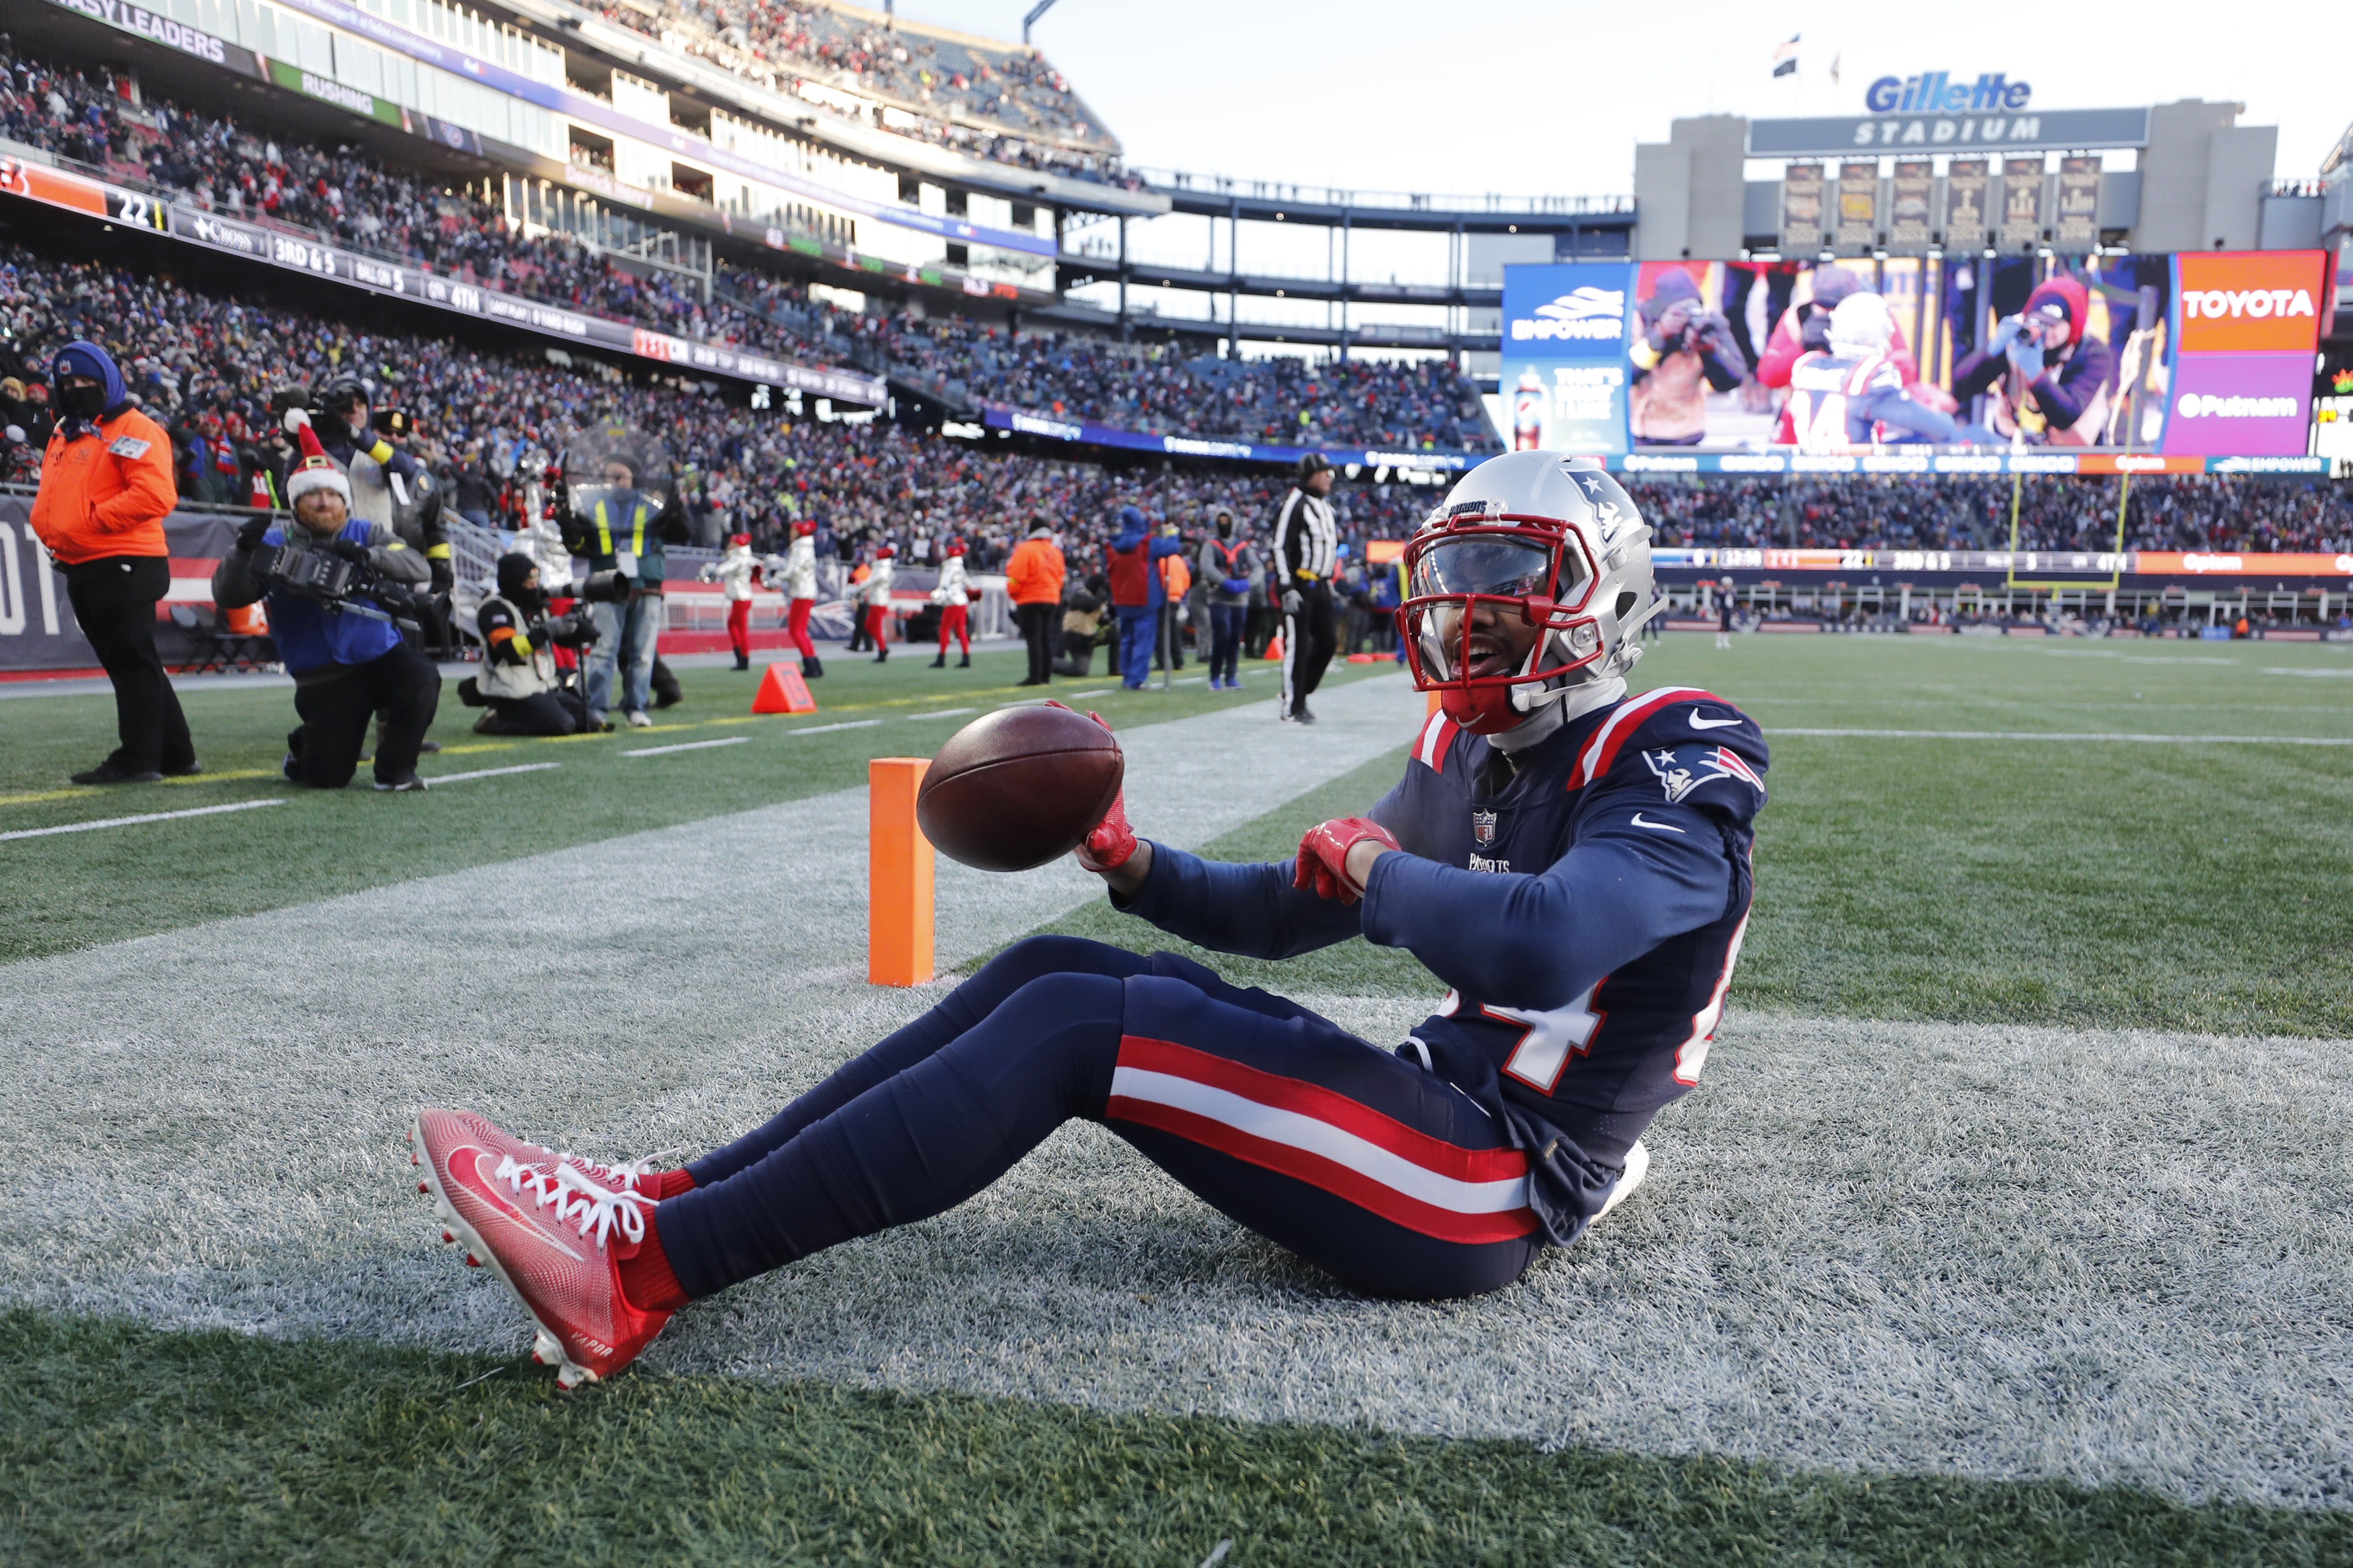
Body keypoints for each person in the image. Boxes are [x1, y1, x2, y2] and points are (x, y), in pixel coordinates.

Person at [407, 452, 1768, 1391]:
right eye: (1452, 570)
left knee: (1073, 1025)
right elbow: (1289, 909)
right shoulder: (1468, 744)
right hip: (1439, 1113)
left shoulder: (1677, 744)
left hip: (1488, 1182)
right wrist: (1133, 862)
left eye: (1503, 573)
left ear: (1602, 592)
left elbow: (1543, 939)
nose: (1465, 608)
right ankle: (668, 1192)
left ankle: (643, 1274)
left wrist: (1376, 871)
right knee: (1064, 959)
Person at [211, 411, 439, 790]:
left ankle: (396, 771)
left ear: (345, 500)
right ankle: (305, 747)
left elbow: (418, 567)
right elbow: (229, 595)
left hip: (380, 656)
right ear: (296, 501)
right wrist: (241, 552)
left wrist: (372, 556)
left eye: (332, 494)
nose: (324, 502)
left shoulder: (367, 531)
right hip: (324, 674)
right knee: (329, 777)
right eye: (313, 494)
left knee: (422, 675)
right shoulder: (274, 541)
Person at [28, 340, 199, 785]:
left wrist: (93, 521)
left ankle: (139, 758)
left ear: (108, 380)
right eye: (68, 383)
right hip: (86, 561)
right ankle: (176, 752)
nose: (77, 389)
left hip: (123, 560)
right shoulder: (68, 430)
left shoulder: (134, 428)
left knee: (130, 660)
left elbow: (156, 494)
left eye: (87, 381)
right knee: (134, 659)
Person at [562, 452, 686, 729]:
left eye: (620, 476)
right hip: (608, 583)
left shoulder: (654, 505)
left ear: (634, 478)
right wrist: (565, 521)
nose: (614, 482)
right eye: (609, 477)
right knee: (604, 649)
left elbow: (682, 531)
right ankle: (596, 709)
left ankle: (637, 707)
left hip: (647, 584)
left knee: (642, 653)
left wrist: (675, 501)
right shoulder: (592, 507)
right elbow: (576, 545)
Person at [1782, 295, 1974, 451]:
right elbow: (1939, 428)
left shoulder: (1807, 365)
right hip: (1855, 476)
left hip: (1808, 474)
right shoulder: (1869, 374)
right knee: (1965, 436)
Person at [1950, 278, 2115, 447]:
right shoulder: (2021, 339)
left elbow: (2067, 415)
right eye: (2041, 322)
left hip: (2073, 450)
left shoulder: (2093, 353)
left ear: (2073, 324)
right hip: (2014, 439)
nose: (2047, 332)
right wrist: (1991, 353)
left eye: (2054, 325)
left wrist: (2037, 377)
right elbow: (1962, 388)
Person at [459, 553, 597, 735]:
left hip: (544, 687)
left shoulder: (533, 606)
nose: (534, 585)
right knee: (562, 725)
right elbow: (509, 649)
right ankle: (497, 719)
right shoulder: (494, 608)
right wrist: (548, 630)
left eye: (536, 579)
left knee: (590, 723)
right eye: (528, 581)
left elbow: (556, 640)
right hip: (512, 691)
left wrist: (576, 630)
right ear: (513, 582)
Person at [1627, 270, 1748, 446]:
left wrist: (1709, 350)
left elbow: (1734, 378)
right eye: (1678, 315)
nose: (1684, 321)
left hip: (1687, 433)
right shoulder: (1639, 321)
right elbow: (1623, 376)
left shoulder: (1709, 323)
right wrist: (1660, 336)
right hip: (1641, 432)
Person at [1273, 456, 1339, 723]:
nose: (1329, 477)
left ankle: (1299, 692)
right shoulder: (1295, 503)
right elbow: (1280, 546)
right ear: (1310, 475)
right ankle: (1293, 706)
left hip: (1321, 585)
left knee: (1328, 643)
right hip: (1300, 584)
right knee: (1298, 646)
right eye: (1325, 472)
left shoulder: (1323, 506)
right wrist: (1287, 586)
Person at [1104, 506, 1174, 690]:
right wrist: (1172, 531)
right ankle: (1136, 679)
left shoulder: (1112, 544)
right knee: (1143, 640)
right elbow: (1173, 547)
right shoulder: (1147, 543)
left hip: (1122, 598)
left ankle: (1127, 675)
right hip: (1146, 599)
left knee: (1127, 639)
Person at [1197, 509, 1253, 691]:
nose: (1224, 524)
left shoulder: (1243, 547)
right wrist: (1225, 581)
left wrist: (1248, 583)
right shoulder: (1211, 545)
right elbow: (1206, 566)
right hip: (1218, 596)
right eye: (1220, 520)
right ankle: (1215, 676)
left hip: (1240, 599)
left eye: (1226, 520)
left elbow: (1258, 567)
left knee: (1235, 638)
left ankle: (1231, 676)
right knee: (1223, 635)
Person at [1006, 516, 1066, 687]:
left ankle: (1035, 676)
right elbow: (1060, 578)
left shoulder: (1025, 550)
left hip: (1030, 599)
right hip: (1052, 599)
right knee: (1046, 638)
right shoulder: (1056, 552)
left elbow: (1016, 577)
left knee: (1034, 639)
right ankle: (1046, 676)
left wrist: (1014, 594)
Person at [700, 533, 758, 671]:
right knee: (733, 624)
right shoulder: (744, 557)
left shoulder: (739, 558)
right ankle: (740, 656)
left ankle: (743, 659)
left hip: (741, 598)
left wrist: (715, 571)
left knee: (741, 629)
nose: (729, 545)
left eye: (732, 543)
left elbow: (728, 567)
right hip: (742, 597)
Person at [773, 520, 823, 679]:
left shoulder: (800, 548)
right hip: (806, 593)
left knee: (796, 631)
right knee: (800, 631)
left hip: (802, 594)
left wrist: (776, 576)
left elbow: (791, 572)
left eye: (794, 531)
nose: (791, 533)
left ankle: (811, 666)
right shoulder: (807, 548)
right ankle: (814, 665)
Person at [929, 537, 973, 668]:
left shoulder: (949, 567)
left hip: (952, 602)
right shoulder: (960, 566)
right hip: (962, 601)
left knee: (944, 629)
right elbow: (969, 583)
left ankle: (941, 658)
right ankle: (966, 658)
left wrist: (940, 597)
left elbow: (944, 585)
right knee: (961, 631)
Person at [1152, 524, 1190, 673]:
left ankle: (1162, 662)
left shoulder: (1162, 560)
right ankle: (1178, 662)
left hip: (1164, 598)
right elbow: (1187, 581)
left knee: (1161, 632)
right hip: (1176, 599)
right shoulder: (1180, 561)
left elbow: (1158, 579)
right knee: (1174, 632)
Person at [861, 544, 896, 663]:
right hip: (879, 600)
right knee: (869, 626)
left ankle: (882, 651)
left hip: (878, 602)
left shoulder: (881, 569)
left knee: (876, 628)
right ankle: (883, 647)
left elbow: (871, 581)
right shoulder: (885, 568)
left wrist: (857, 588)